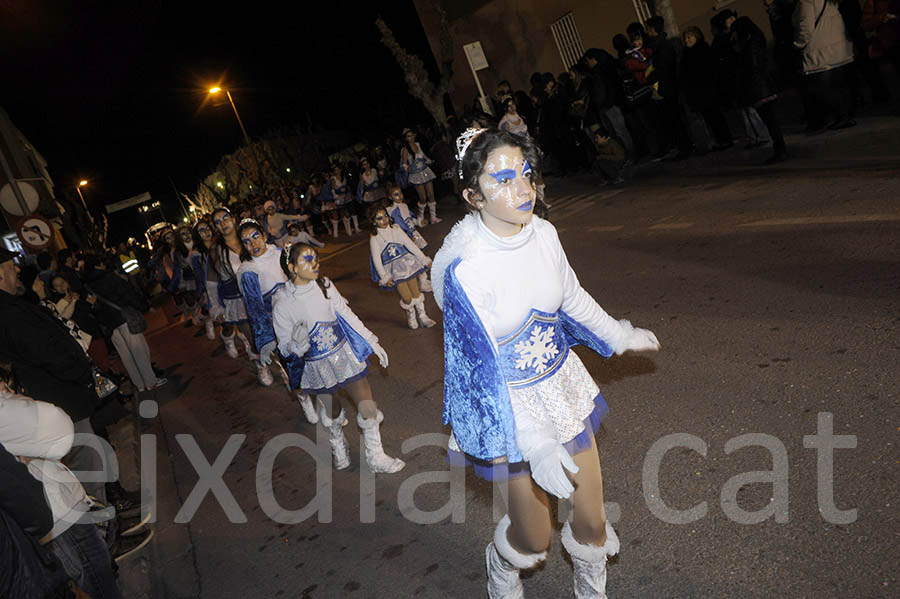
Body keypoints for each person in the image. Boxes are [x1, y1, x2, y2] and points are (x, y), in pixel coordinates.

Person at [431, 128, 660, 598]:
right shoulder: (464, 270)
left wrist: (618, 334)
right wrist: (535, 442)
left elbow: (570, 296)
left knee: (591, 518)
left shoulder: (544, 232)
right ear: (472, 195)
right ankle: (500, 565)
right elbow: (483, 374)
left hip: (559, 387)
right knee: (532, 537)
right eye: (502, 178)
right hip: (508, 411)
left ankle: (590, 583)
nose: (521, 188)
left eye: (526, 174)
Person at [272, 243, 405, 473]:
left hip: (343, 355)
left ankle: (376, 456)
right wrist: (298, 344)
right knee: (332, 410)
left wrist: (371, 341)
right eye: (306, 259)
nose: (315, 263)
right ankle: (337, 441)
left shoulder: (324, 285)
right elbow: (284, 349)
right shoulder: (282, 304)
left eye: (315, 257)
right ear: (292, 267)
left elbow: (346, 313)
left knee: (367, 404)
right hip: (317, 366)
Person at [235, 219, 319, 423]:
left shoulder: (283, 252)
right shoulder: (247, 271)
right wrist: (265, 339)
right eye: (246, 242)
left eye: (256, 237)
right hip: (278, 324)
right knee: (293, 363)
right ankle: (304, 398)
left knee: (316, 357)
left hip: (301, 314)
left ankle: (325, 398)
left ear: (264, 236)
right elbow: (254, 308)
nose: (253, 244)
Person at [83, 254, 167, 393]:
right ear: (98, 265)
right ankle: (150, 381)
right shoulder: (109, 277)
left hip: (109, 324)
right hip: (124, 318)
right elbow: (128, 294)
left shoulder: (87, 285)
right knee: (139, 350)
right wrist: (144, 307)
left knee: (125, 355)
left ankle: (139, 385)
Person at [210, 208, 261, 379]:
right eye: (218, 222)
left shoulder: (247, 236)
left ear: (232, 219)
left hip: (261, 291)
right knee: (253, 338)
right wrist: (216, 307)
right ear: (215, 227)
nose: (223, 223)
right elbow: (211, 281)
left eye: (225, 218)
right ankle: (262, 365)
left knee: (270, 336)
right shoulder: (216, 250)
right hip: (237, 299)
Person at [731, 15, 790, 163]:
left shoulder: (751, 45)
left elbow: (752, 68)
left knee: (770, 121)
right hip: (762, 87)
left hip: (760, 89)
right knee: (771, 121)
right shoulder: (756, 41)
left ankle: (780, 150)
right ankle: (780, 149)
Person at [368, 205, 437, 330]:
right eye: (379, 218)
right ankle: (411, 314)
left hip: (407, 264)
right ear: (373, 221)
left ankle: (423, 316)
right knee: (406, 296)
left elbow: (410, 244)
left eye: (385, 216)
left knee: (416, 292)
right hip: (393, 270)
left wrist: (423, 259)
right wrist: (384, 276)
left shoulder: (396, 229)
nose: (384, 220)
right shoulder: (374, 238)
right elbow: (376, 260)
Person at [794, 0, 857, 130]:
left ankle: (838, 118)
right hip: (838, 47)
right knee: (839, 85)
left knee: (825, 89)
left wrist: (798, 44)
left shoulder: (806, 1)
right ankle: (845, 116)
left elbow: (806, 27)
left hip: (821, 50)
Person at [681, 27, 734, 151]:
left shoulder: (701, 50)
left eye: (689, 37)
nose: (687, 40)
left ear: (696, 37)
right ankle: (720, 140)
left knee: (715, 116)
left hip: (707, 90)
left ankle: (725, 139)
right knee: (709, 118)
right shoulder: (687, 53)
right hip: (698, 92)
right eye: (685, 38)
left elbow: (706, 71)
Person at [385, 182, 433, 292]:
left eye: (400, 193)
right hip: (406, 238)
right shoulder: (392, 211)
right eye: (396, 194)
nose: (400, 196)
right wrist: (406, 236)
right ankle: (421, 282)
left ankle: (423, 280)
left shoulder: (404, 206)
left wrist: (419, 222)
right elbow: (398, 226)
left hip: (414, 234)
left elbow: (410, 218)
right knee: (416, 259)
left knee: (420, 256)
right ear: (390, 197)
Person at [399, 128, 441, 226]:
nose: (411, 137)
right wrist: (407, 168)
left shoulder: (417, 144)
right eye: (409, 136)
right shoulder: (405, 149)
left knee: (431, 195)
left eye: (412, 135)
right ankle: (420, 216)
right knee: (423, 198)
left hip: (425, 171)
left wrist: (429, 161)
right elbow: (404, 164)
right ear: (405, 138)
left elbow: (423, 156)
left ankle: (433, 217)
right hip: (416, 174)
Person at [330, 163, 361, 237]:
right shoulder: (333, 179)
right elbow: (332, 189)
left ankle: (355, 228)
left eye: (338, 169)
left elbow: (347, 186)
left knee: (351, 210)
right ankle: (347, 229)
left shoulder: (344, 176)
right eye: (336, 170)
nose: (337, 171)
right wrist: (336, 196)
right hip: (339, 198)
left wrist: (350, 193)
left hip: (347, 196)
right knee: (343, 213)